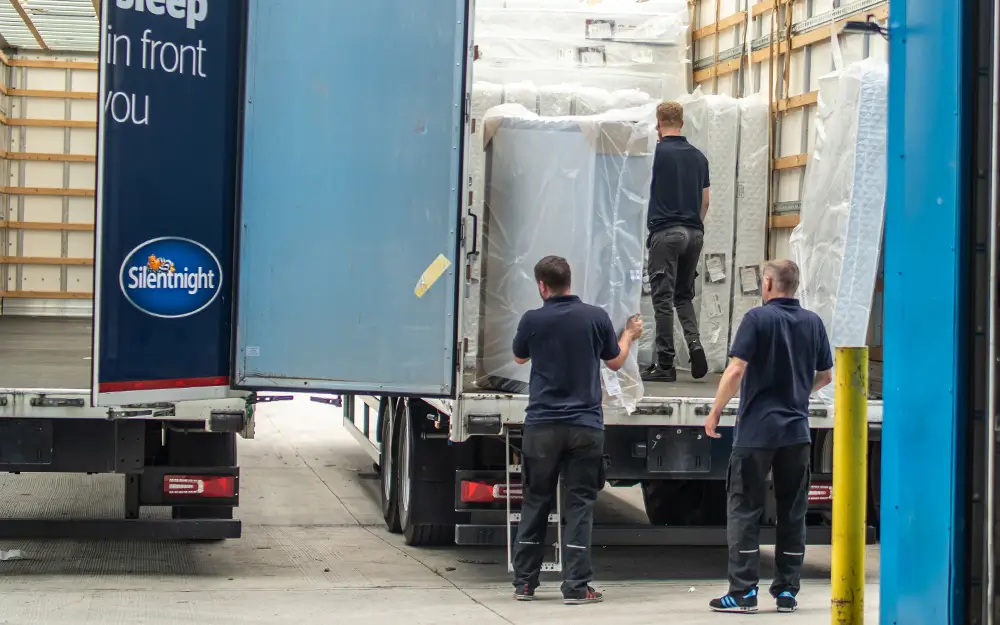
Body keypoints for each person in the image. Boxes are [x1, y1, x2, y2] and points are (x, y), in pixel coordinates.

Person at [509, 255, 642, 605]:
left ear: (542, 286)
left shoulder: (532, 320)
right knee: (580, 504)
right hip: (585, 427)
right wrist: (628, 334)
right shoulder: (595, 317)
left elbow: (519, 357)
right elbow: (614, 361)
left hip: (542, 427)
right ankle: (577, 586)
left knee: (535, 501)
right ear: (570, 280)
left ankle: (525, 583)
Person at [703, 259, 833, 614]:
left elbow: (736, 369)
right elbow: (826, 375)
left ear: (768, 284)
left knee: (745, 508)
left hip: (757, 433)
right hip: (796, 433)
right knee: (793, 510)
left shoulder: (757, 319)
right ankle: (788, 591)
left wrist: (715, 410)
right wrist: (799, 390)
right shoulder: (813, 322)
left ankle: (743, 592)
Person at [643, 101, 712, 384]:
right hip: (694, 233)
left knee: (662, 298)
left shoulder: (654, 155)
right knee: (683, 296)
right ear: (681, 123)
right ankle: (695, 345)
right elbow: (705, 201)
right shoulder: (699, 157)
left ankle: (665, 363)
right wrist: (693, 225)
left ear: (658, 125)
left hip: (666, 233)